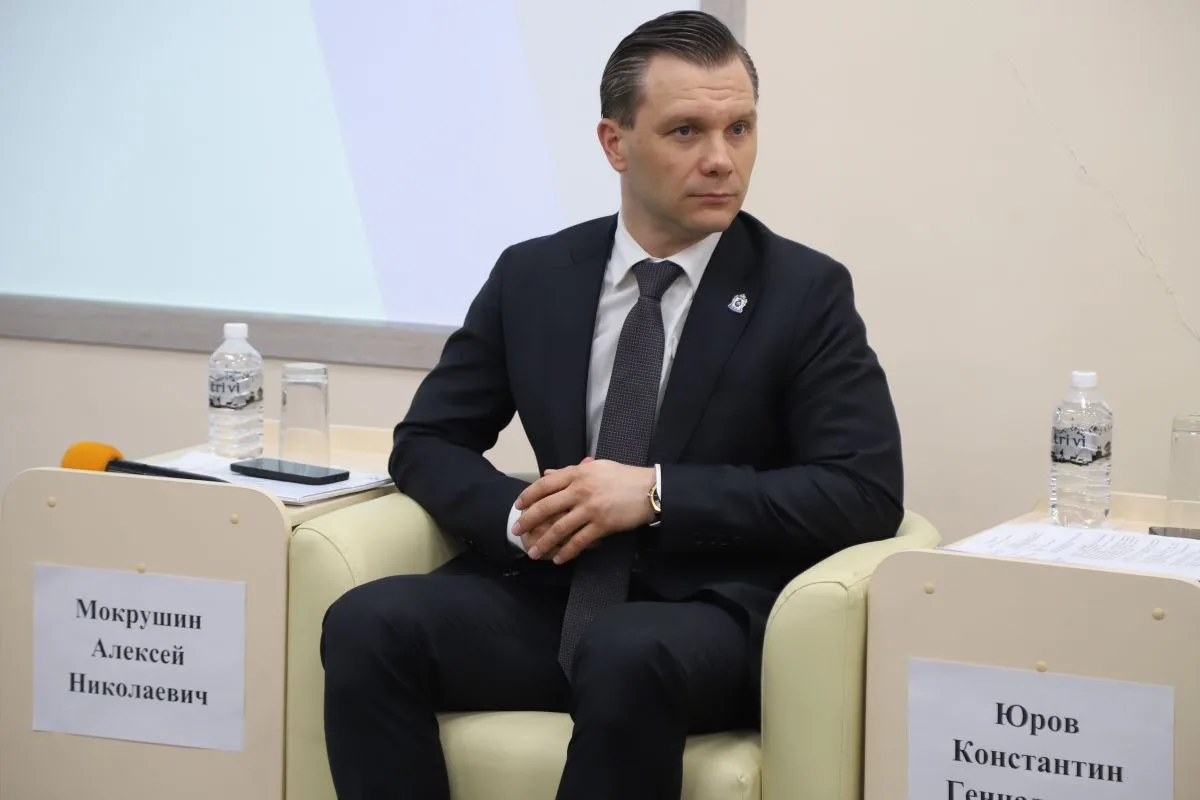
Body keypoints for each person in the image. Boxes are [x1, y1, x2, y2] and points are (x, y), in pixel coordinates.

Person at [320, 9, 903, 800]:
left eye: (739, 129)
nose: (721, 159)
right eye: (686, 131)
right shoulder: (533, 276)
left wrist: (657, 494)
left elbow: (863, 491)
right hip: (555, 592)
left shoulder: (804, 292)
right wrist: (520, 519)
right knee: (365, 623)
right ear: (614, 143)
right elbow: (427, 440)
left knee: (627, 648)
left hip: (711, 613)